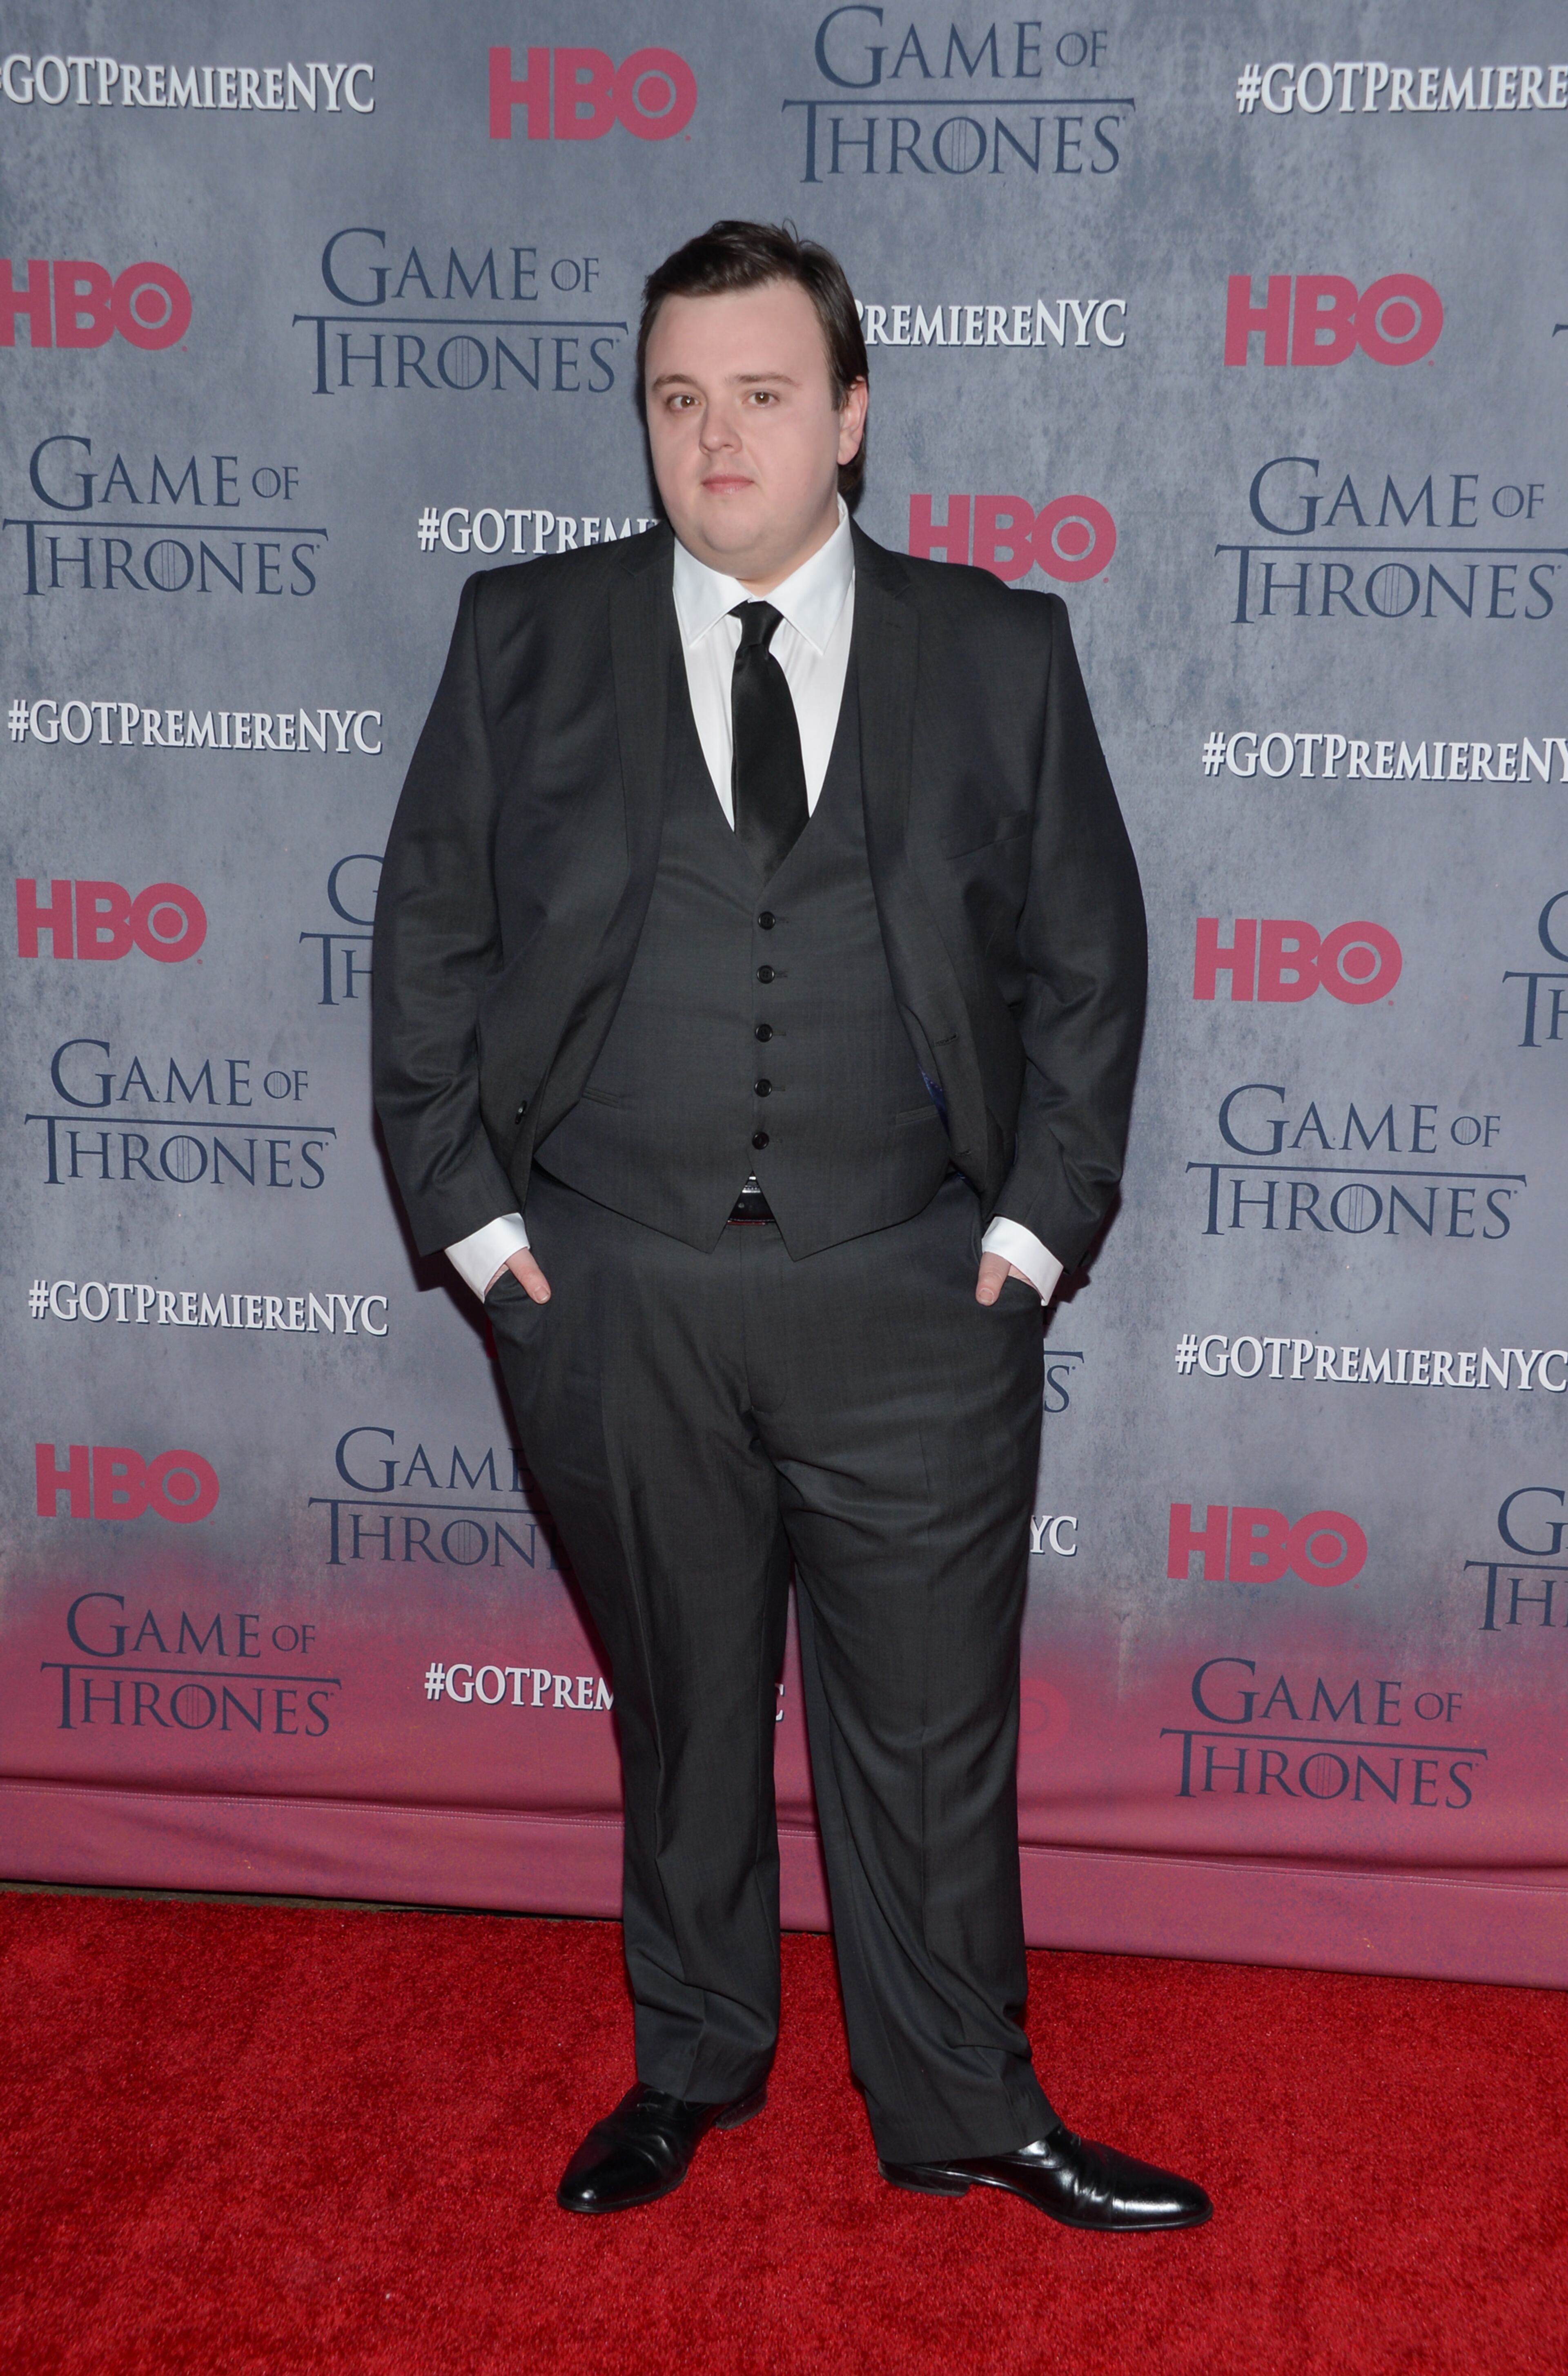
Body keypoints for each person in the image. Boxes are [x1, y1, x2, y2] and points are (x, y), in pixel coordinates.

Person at [372, 220, 1209, 2233]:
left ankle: (965, 2105)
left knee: (927, 1737)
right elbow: (427, 946)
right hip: (612, 1292)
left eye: (760, 394)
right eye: (678, 399)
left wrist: (1031, 1236)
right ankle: (689, 2063)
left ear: (849, 415)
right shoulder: (525, 637)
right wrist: (484, 1240)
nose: (715, 436)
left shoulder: (997, 650)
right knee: (679, 1703)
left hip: (915, 1289)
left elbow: (1091, 964)